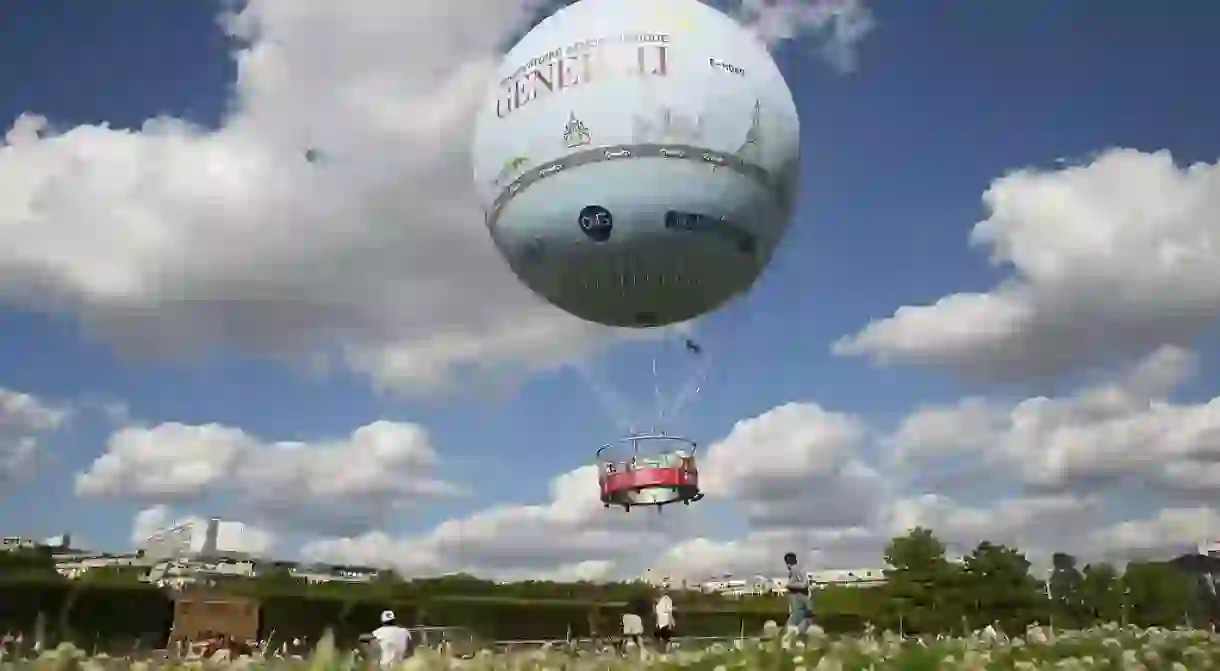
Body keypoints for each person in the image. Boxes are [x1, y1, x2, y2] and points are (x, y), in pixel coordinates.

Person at [784, 552, 814, 637]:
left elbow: (804, 584)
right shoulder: (799, 570)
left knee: (791, 631)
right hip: (800, 606)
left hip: (799, 606)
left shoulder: (795, 570)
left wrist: (789, 585)